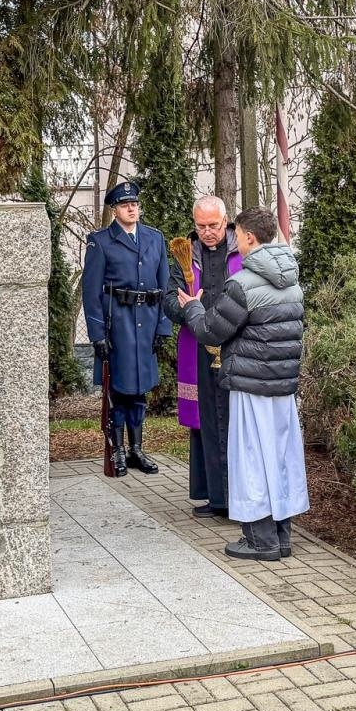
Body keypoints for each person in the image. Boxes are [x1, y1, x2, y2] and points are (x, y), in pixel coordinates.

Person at [177, 206, 307, 561]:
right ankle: (282, 537)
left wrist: (192, 307)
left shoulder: (244, 284)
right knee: (280, 460)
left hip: (251, 385)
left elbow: (210, 331)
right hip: (282, 387)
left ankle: (260, 540)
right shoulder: (293, 280)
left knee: (252, 462)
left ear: (248, 237)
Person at [81, 180, 172, 477]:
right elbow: (91, 293)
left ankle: (136, 450)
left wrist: (163, 326)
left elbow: (164, 285)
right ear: (114, 210)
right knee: (118, 391)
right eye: (124, 205)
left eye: (134, 204)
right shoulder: (101, 241)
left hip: (146, 324)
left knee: (140, 389)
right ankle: (117, 449)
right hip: (117, 325)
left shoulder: (154, 238)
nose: (132, 208)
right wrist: (97, 335)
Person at [163, 195, 240, 518]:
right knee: (206, 420)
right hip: (198, 347)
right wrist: (184, 307)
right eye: (201, 226)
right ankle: (213, 495)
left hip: (234, 345)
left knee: (235, 419)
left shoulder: (241, 251)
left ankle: (238, 495)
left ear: (226, 222)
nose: (208, 232)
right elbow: (168, 300)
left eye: (214, 226)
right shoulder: (185, 256)